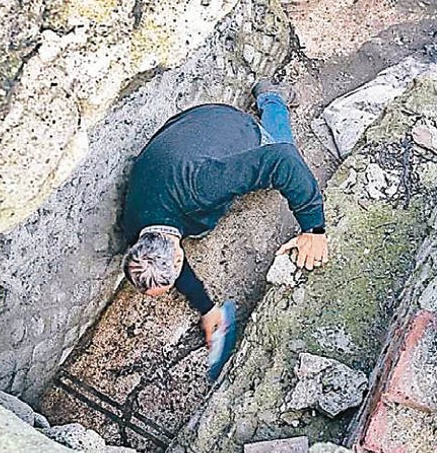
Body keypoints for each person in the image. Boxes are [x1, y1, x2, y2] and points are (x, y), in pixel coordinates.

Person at [121, 80, 328, 379]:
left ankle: (272, 99)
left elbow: (283, 161)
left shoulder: (201, 187)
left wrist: (314, 229)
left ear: (178, 258)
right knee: (200, 225)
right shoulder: (135, 231)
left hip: (225, 122)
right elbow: (164, 262)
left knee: (281, 148)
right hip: (187, 131)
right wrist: (207, 308)